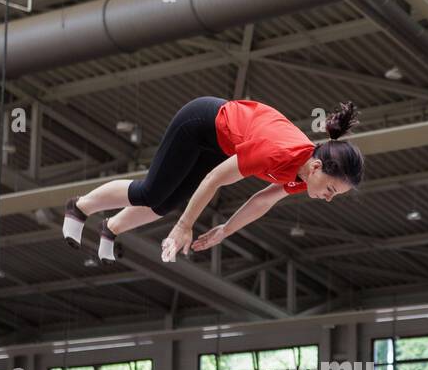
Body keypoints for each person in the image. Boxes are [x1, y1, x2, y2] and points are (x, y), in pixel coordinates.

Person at [62, 98, 364, 263]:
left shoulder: (303, 175)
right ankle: (80, 207)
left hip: (219, 144)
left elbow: (264, 200)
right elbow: (214, 179)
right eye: (330, 189)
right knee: (150, 192)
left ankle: (110, 228)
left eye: (334, 195)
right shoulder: (276, 152)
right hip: (200, 124)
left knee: (166, 202)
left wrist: (225, 230)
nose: (328, 197)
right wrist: (184, 227)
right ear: (316, 167)